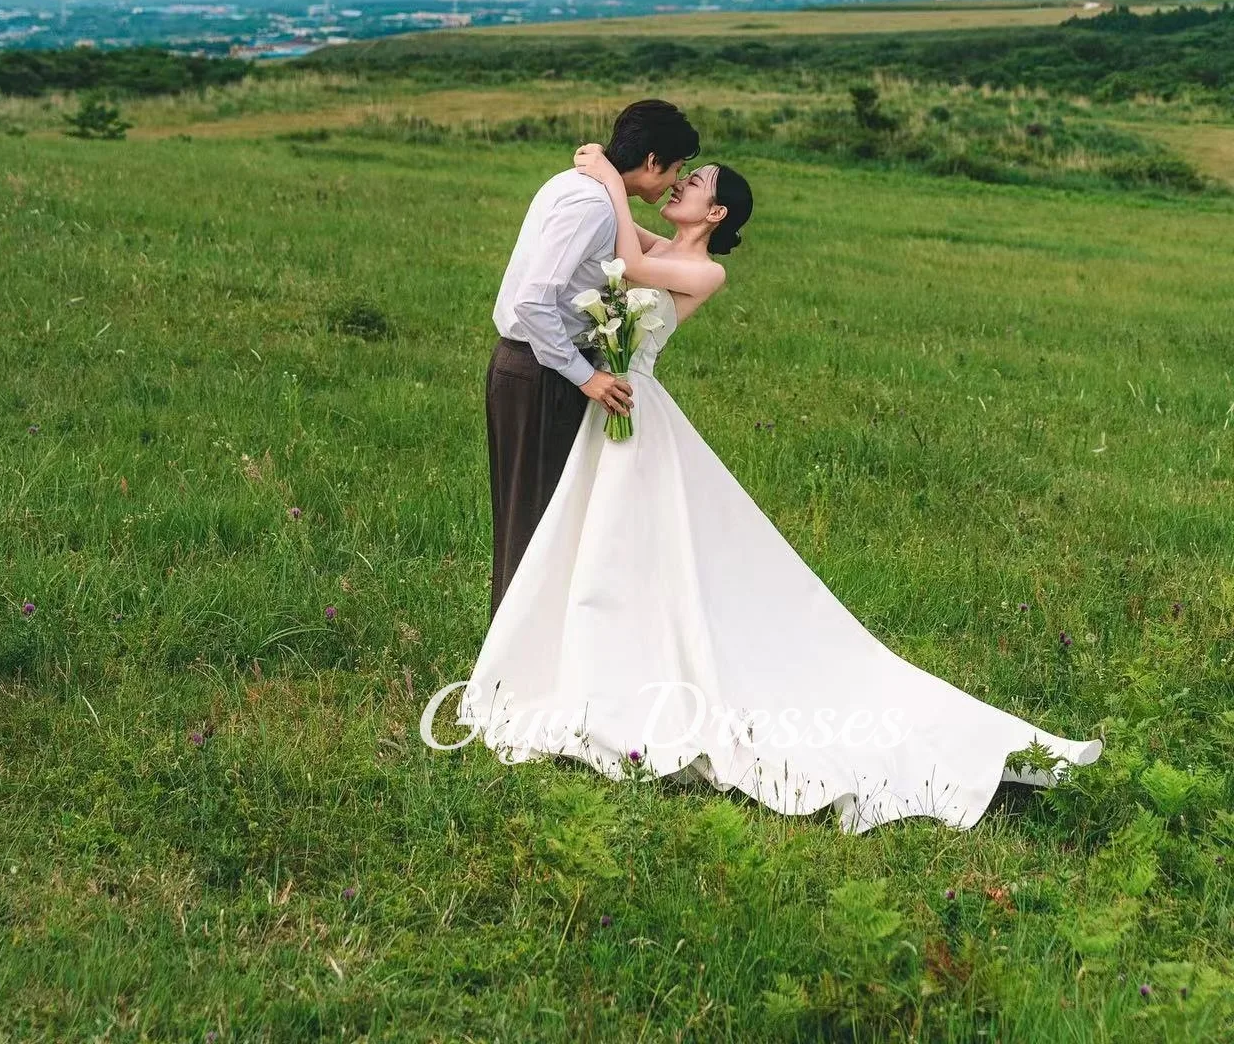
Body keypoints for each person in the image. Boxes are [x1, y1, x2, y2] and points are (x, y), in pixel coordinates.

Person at [459, 146, 1102, 833]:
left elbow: (635, 267)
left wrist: (613, 179)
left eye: (695, 183)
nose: (679, 185)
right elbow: (628, 245)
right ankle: (587, 664)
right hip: (609, 409)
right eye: (682, 174)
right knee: (604, 549)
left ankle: (624, 685)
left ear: (718, 212)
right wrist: (610, 191)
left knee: (637, 547)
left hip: (632, 410)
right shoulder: (661, 241)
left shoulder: (705, 269)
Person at [487, 100, 700, 617]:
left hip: (537, 368)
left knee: (548, 524)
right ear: (652, 161)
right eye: (674, 169)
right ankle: (513, 667)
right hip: (543, 373)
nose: (674, 181)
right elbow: (533, 302)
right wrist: (586, 378)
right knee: (534, 525)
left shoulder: (581, 188)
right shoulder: (592, 204)